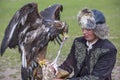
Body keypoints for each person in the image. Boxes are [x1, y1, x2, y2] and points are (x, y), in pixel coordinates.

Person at [53, 8, 117, 80]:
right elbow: (68, 65)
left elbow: (97, 77)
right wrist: (54, 70)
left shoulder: (109, 49)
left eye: (88, 29)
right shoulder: (78, 42)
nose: (84, 32)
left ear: (98, 30)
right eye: (83, 28)